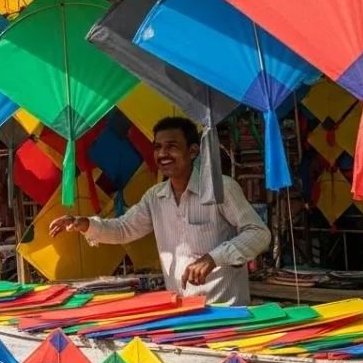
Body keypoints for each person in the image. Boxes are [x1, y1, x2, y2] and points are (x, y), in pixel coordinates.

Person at [49, 116, 271, 306]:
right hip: (181, 310)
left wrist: (214, 258)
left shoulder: (220, 188)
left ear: (193, 151)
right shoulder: (155, 197)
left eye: (172, 146)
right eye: (157, 147)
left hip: (225, 310)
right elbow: (123, 229)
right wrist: (85, 224)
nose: (163, 154)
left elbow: (259, 233)